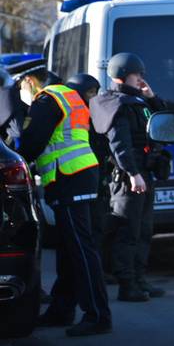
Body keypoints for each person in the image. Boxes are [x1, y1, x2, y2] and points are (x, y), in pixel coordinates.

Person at [13, 61, 111, 337]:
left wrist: (16, 157)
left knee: (80, 247)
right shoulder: (66, 95)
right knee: (69, 248)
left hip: (69, 177)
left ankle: (98, 315)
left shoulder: (47, 99)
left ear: (29, 81)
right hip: (77, 175)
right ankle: (62, 309)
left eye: (20, 87)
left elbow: (33, 142)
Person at [90, 52, 167, 302]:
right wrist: (133, 174)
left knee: (144, 230)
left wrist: (151, 97)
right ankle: (127, 285)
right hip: (128, 177)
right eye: (136, 75)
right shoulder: (116, 104)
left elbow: (162, 121)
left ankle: (139, 279)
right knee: (128, 231)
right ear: (123, 75)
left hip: (143, 173)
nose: (141, 79)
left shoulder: (136, 101)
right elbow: (119, 145)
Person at [66, 74, 112, 259]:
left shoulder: (97, 114)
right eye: (90, 92)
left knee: (99, 226)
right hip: (78, 181)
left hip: (98, 178)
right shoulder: (71, 117)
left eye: (96, 92)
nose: (94, 97)